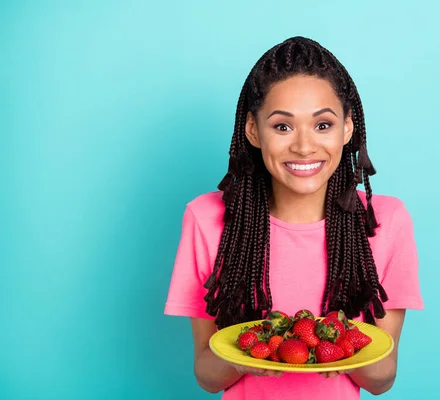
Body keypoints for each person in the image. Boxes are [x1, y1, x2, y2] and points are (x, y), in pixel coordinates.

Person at [164, 36, 424, 399]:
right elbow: (207, 377)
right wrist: (242, 359)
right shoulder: (206, 219)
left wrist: (330, 341)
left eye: (323, 125)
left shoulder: (385, 220)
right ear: (253, 131)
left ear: (347, 128)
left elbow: (382, 379)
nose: (304, 146)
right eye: (282, 126)